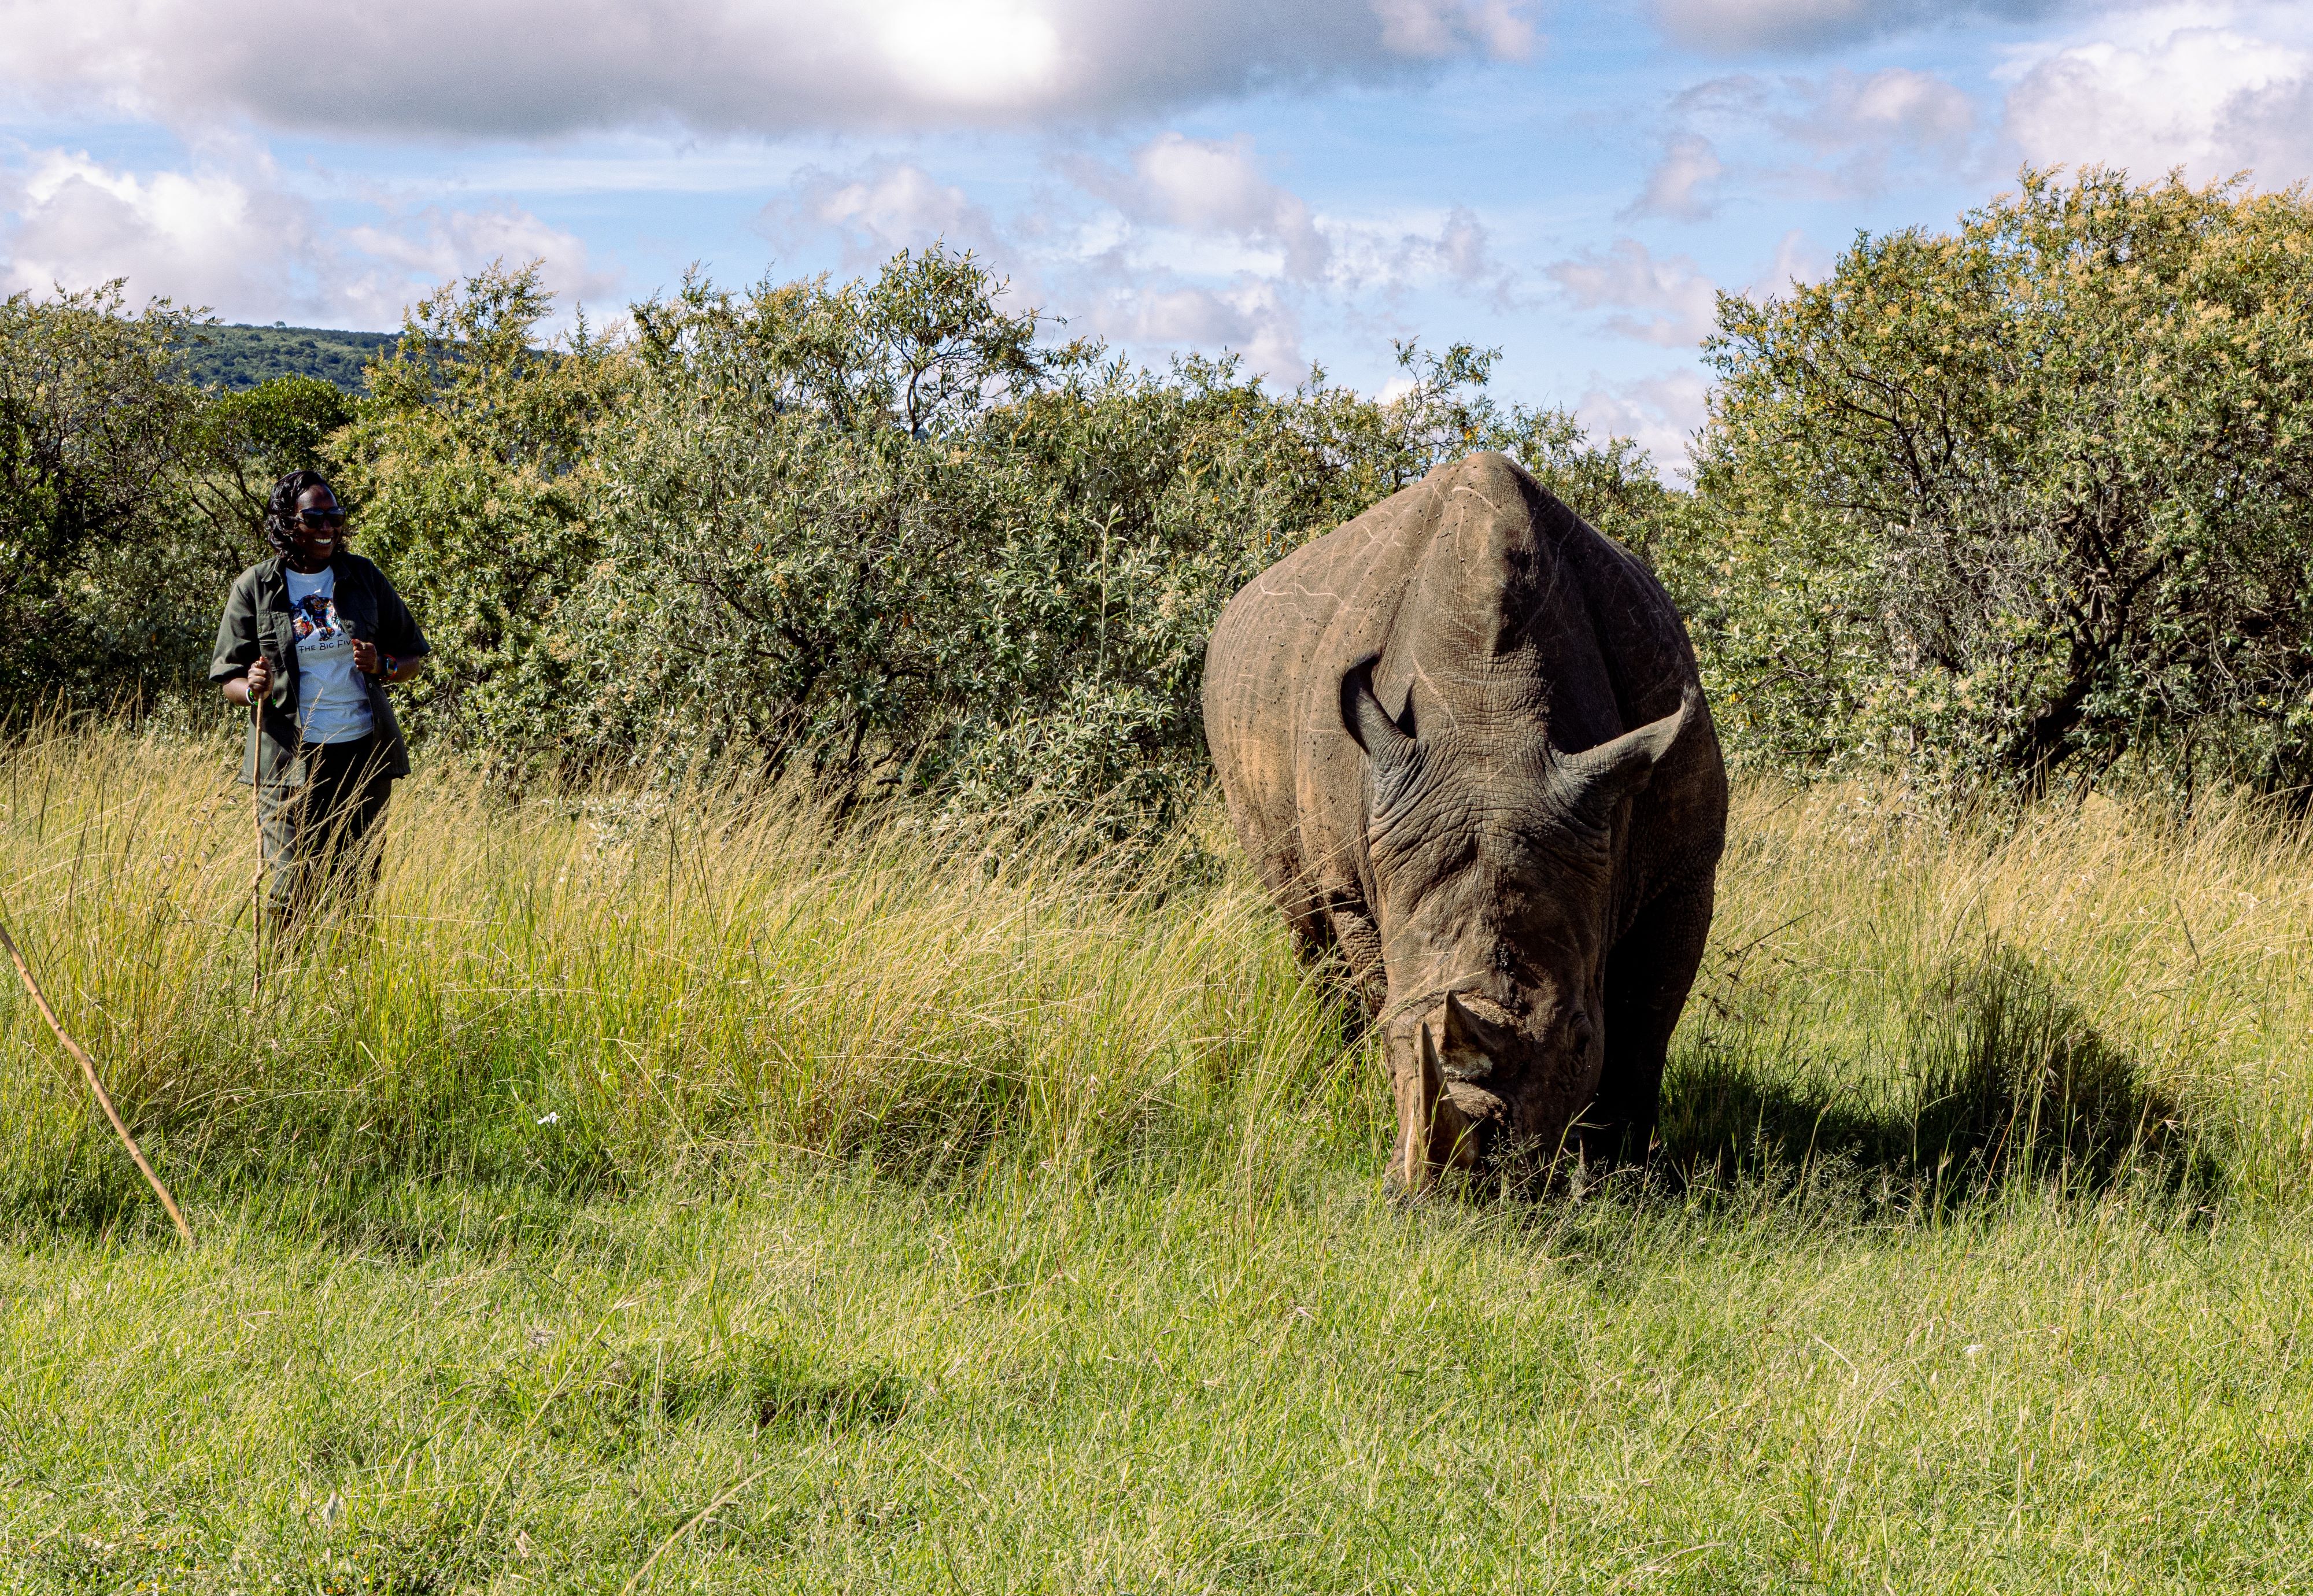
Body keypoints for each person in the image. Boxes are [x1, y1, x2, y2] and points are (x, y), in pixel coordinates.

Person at [209, 470, 430, 930]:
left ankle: (350, 991)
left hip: (362, 753)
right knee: (291, 887)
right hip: (287, 760)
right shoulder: (255, 586)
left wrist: (383, 666)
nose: (329, 527)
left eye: (336, 516)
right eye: (315, 517)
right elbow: (228, 676)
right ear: (288, 523)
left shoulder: (363, 577)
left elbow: (412, 656)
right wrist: (252, 688)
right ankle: (280, 991)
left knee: (356, 886)